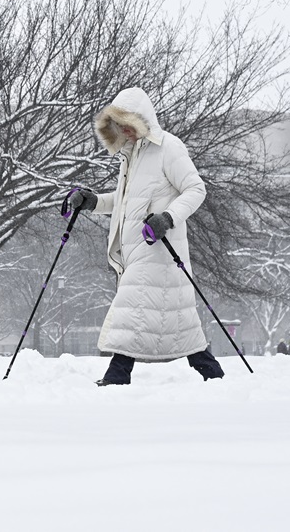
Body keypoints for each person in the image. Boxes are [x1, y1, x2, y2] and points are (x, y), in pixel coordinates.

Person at [67, 87, 223, 386]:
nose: (124, 130)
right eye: (118, 124)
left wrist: (168, 217)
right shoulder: (131, 155)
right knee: (175, 321)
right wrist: (93, 201)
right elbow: (124, 200)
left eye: (129, 123)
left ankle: (117, 375)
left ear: (144, 119)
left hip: (159, 248)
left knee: (131, 311)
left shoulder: (169, 148)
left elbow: (195, 189)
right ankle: (210, 370)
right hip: (137, 250)